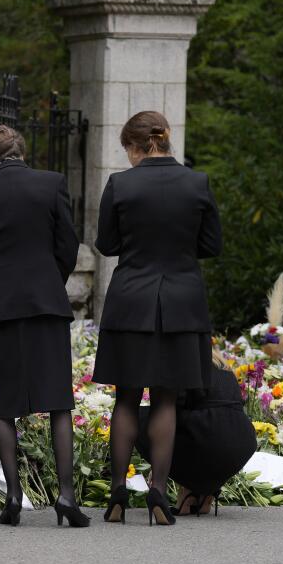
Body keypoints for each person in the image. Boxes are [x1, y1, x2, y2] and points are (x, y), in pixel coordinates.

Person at [93, 110, 222, 526]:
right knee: (166, 398)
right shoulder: (196, 182)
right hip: (182, 303)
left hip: (132, 300)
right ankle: (159, 492)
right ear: (164, 140)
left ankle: (116, 495)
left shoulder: (121, 184)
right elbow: (211, 244)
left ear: (135, 145)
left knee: (126, 398)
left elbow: (107, 244)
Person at [0, 124, 87, 528]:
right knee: (58, 401)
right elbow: (67, 244)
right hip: (46, 303)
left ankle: (14, 496)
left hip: (0, 306)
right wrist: (50, 280)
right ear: (21, 151)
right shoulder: (52, 184)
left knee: (4, 404)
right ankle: (66, 497)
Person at [135, 360, 256, 517]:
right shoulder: (225, 368)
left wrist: (158, 466)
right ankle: (206, 493)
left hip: (207, 434)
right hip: (243, 439)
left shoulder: (187, 365)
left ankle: (187, 491)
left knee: (141, 420)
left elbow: (173, 411)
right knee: (199, 431)